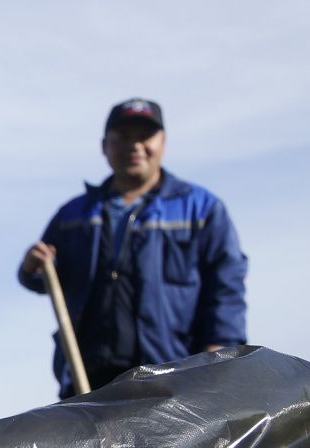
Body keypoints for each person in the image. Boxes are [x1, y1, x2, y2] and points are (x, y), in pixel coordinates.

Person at [18, 99, 247, 398]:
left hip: (173, 380)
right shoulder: (73, 216)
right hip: (86, 381)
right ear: (104, 146)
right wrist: (31, 267)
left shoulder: (200, 210)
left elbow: (226, 287)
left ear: (163, 143)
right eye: (124, 137)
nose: (135, 145)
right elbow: (46, 279)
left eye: (144, 137)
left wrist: (219, 352)